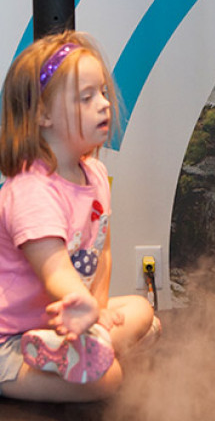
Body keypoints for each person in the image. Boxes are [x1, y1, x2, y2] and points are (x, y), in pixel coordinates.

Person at [0, 32, 158, 403]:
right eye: (86, 98)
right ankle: (77, 357)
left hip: (64, 324)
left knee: (141, 310)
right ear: (43, 115)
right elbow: (55, 269)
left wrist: (96, 311)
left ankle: (78, 350)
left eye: (102, 92)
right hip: (10, 338)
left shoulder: (96, 174)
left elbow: (101, 251)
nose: (104, 104)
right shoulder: (31, 191)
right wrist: (80, 301)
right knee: (110, 379)